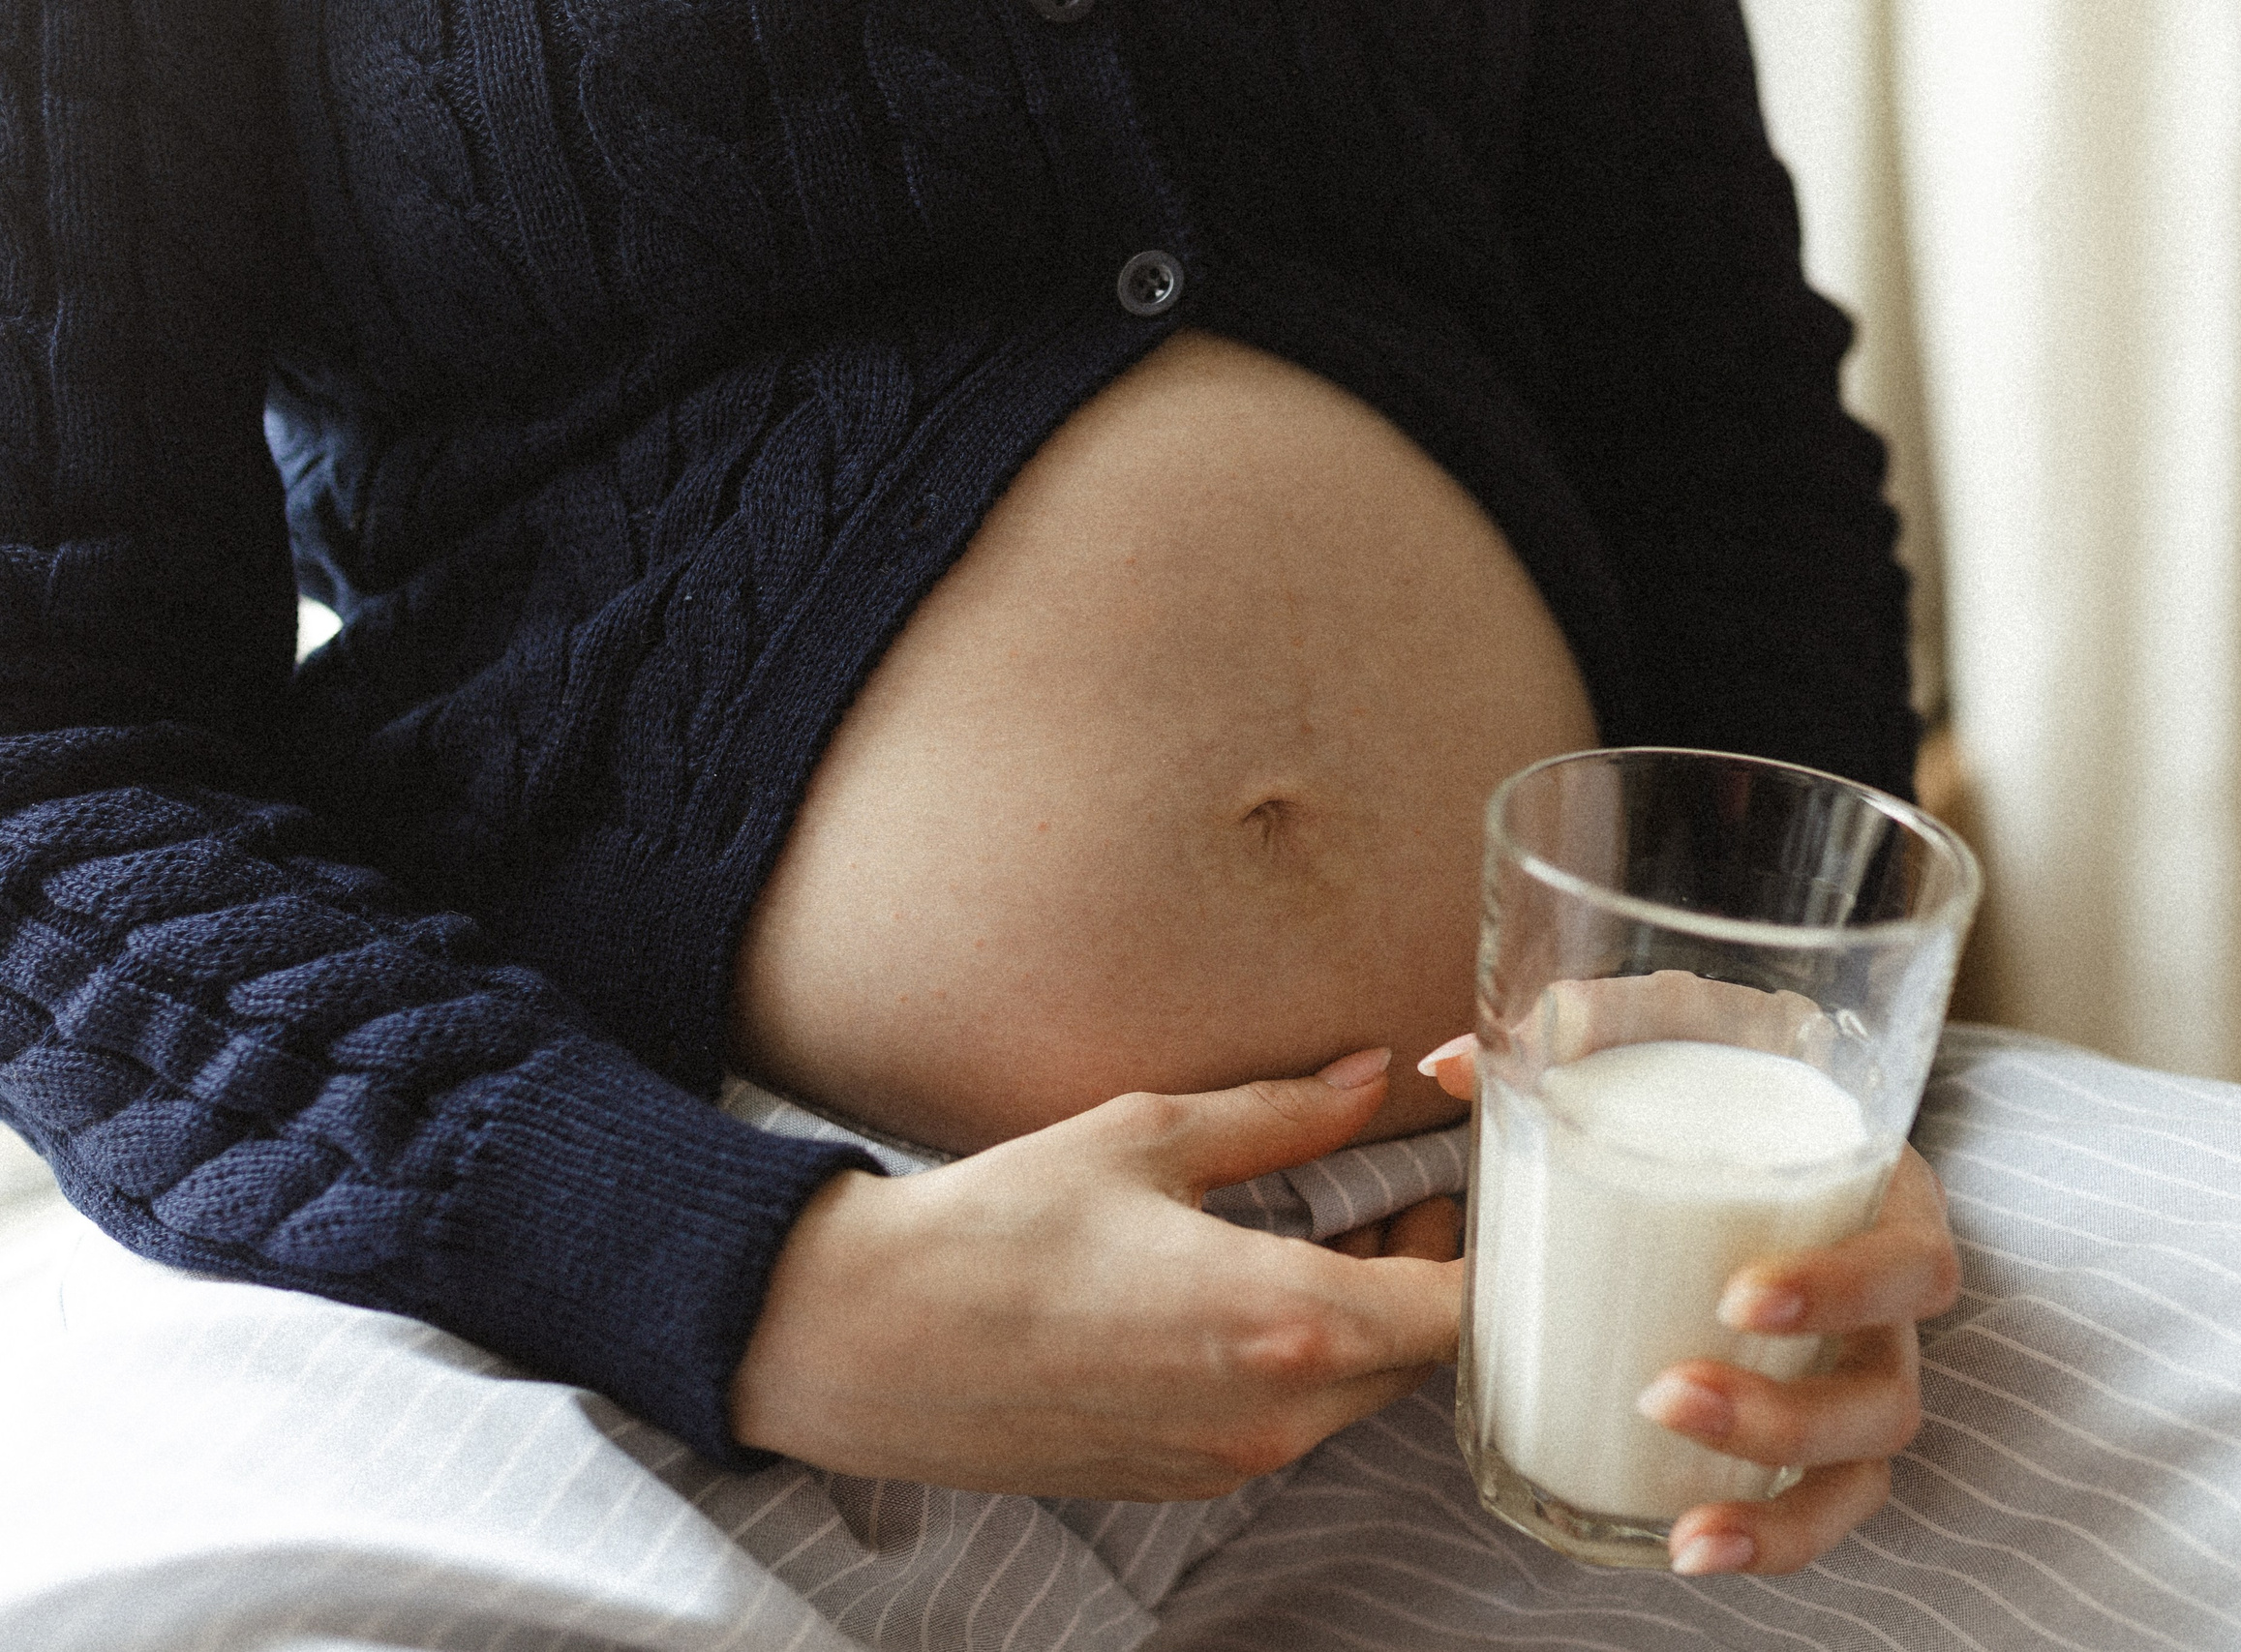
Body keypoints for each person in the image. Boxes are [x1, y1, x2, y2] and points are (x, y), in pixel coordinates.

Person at [0, 0, 1934, 1601]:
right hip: (648, 1242)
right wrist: (758, 1279)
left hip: (1572, 1235)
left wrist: (1781, 1065)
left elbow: (1725, 437)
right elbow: (43, 740)